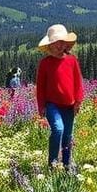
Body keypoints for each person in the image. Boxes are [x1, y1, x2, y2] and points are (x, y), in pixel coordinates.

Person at [35, 24, 84, 168]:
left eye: (61, 42)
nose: (58, 45)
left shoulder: (72, 60)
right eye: (55, 43)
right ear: (49, 45)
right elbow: (41, 87)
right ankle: (53, 162)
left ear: (66, 44)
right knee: (58, 129)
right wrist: (41, 106)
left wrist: (78, 101)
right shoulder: (45, 63)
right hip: (52, 105)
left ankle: (67, 163)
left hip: (69, 104)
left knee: (68, 135)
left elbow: (78, 82)